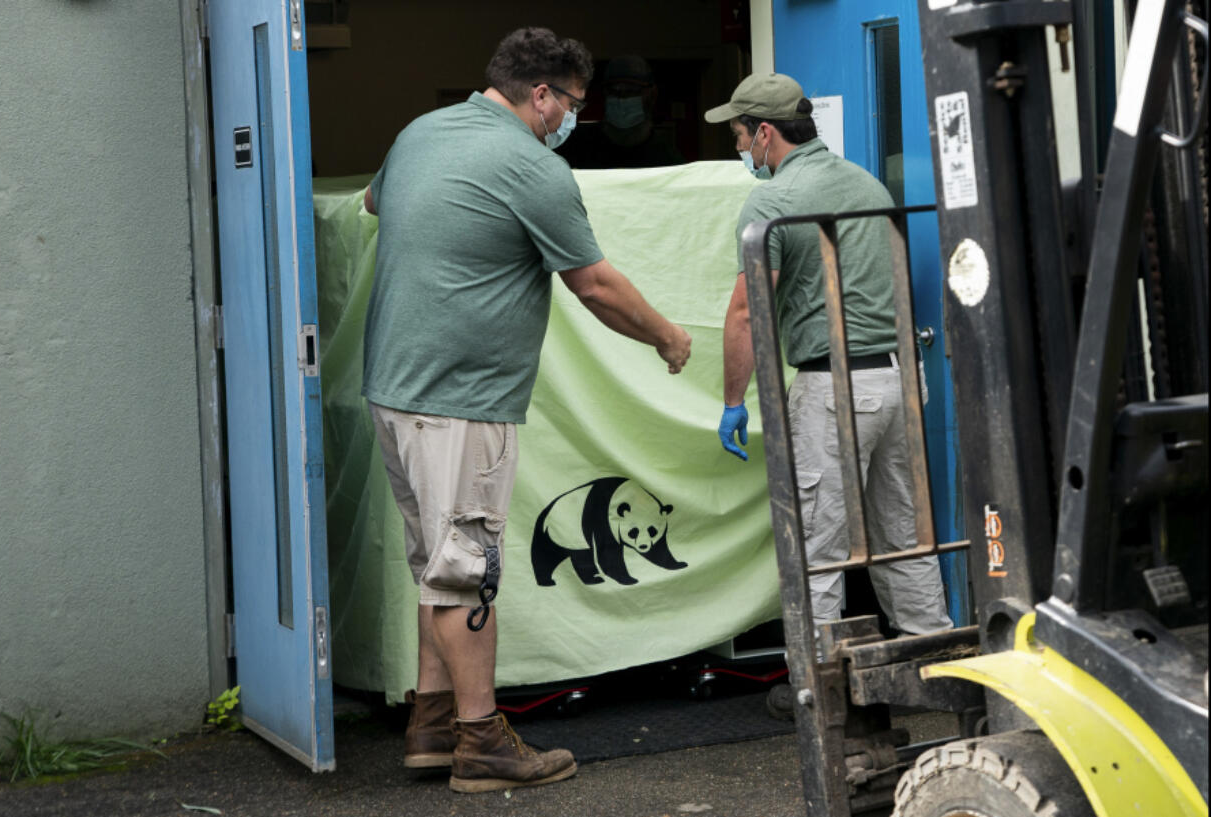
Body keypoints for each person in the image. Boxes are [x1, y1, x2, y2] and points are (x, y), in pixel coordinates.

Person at [361, 27, 691, 793]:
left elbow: (377, 202)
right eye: (572, 103)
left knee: (433, 566)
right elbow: (596, 286)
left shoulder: (420, 133)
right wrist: (669, 338)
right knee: (467, 571)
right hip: (461, 401)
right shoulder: (530, 164)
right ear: (540, 93)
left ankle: (432, 722)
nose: (573, 118)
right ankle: (482, 742)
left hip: (394, 390)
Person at [705, 73, 953, 646]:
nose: (739, 147)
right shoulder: (867, 184)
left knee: (817, 550)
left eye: (740, 135)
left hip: (835, 387)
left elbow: (747, 312)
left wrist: (732, 401)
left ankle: (819, 688)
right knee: (906, 537)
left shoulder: (774, 199)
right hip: (901, 380)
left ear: (766, 131)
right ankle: (935, 658)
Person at [557, 54, 685, 169]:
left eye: (632, 90)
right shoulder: (578, 146)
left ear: (652, 95)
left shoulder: (666, 159)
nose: (621, 98)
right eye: (614, 90)